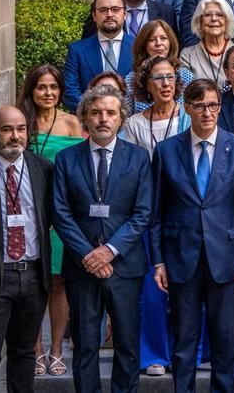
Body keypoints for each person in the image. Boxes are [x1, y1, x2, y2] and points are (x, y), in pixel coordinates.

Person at [150, 79, 234, 393]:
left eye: (212, 105)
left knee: (225, 339)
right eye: (199, 105)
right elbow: (157, 212)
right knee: (184, 339)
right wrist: (158, 261)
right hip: (181, 257)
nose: (206, 112)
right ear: (187, 108)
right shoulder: (167, 150)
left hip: (227, 258)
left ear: (219, 108)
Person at [51, 85, 152, 393]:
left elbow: (143, 213)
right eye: (95, 113)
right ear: (85, 117)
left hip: (124, 267)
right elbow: (60, 213)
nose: (103, 119)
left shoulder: (138, 158)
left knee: (127, 344)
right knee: (84, 346)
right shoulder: (66, 159)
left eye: (110, 112)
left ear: (121, 117)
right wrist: (89, 255)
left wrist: (109, 251)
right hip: (82, 268)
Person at [121, 56, 190, 377]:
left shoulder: (190, 118)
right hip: (148, 213)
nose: (165, 83)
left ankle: (190, 351)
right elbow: (130, 170)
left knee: (188, 287)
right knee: (152, 289)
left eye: (170, 77)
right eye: (158, 78)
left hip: (185, 213)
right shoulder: (135, 124)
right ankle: (154, 356)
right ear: (146, 85)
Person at [18, 65, 83, 379]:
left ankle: (56, 349)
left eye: (53, 87)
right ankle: (35, 350)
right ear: (31, 89)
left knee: (59, 283)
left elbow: (80, 171)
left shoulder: (72, 123)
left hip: (63, 214)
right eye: (41, 87)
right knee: (31, 286)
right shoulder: (22, 123)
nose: (48, 93)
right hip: (28, 215)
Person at [0, 106, 55, 392]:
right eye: (7, 130)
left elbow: (51, 216)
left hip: (33, 275)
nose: (16, 136)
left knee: (25, 352)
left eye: (21, 129)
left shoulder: (43, 169)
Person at [63, 0, 136, 111]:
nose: (109, 14)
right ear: (94, 15)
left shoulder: (138, 47)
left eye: (115, 9)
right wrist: (94, 112)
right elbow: (70, 90)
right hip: (88, 123)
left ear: (125, 14)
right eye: (103, 10)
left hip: (130, 122)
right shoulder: (77, 50)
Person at [124, 19, 195, 113]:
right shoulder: (131, 79)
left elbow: (194, 112)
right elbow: (127, 117)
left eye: (163, 38)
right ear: (144, 45)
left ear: (170, 42)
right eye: (152, 40)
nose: (158, 43)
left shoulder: (186, 76)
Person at [179, 0, 234, 86]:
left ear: (227, 21)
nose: (214, 19)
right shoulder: (187, 55)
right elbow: (185, 91)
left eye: (220, 15)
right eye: (208, 15)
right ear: (199, 21)